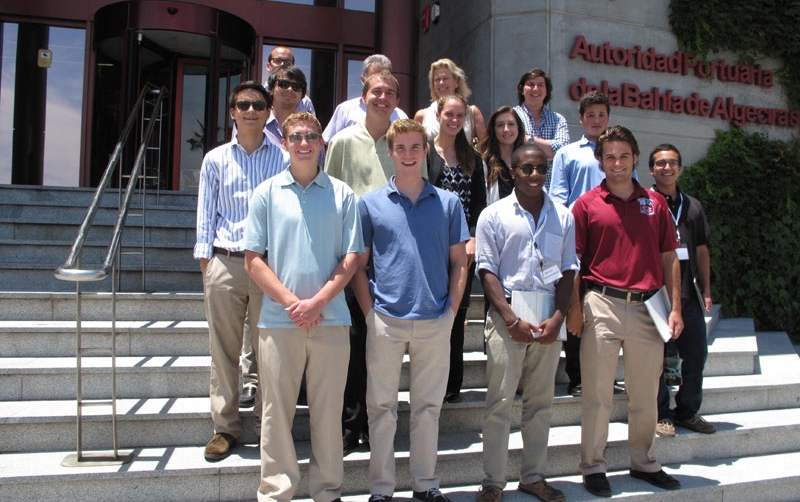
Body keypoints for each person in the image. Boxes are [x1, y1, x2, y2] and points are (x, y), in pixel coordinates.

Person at [243, 112, 364, 502]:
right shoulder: (265, 193)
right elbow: (253, 260)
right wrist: (295, 303)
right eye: (296, 136)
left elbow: (351, 258)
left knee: (328, 414)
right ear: (284, 143)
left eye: (312, 135)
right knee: (276, 414)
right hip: (279, 321)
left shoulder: (343, 194)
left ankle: (327, 491)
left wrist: (318, 302)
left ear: (321, 142)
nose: (304, 142)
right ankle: (276, 491)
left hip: (331, 321)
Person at [352, 119, 469, 502]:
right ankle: (382, 490)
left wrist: (451, 311)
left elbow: (460, 262)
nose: (407, 154)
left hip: (435, 320)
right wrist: (370, 313)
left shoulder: (449, 203)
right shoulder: (369, 204)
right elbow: (360, 264)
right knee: (381, 408)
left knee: (427, 409)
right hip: (386, 319)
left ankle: (426, 485)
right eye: (399, 148)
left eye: (414, 147)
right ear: (390, 152)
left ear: (425, 151)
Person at [567, 125, 683, 497]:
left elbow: (670, 257)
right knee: (597, 393)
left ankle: (644, 462)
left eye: (624, 156)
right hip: (601, 302)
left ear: (635, 159)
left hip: (649, 306)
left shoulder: (656, 203)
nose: (617, 163)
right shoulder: (586, 205)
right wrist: (574, 309)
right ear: (600, 162)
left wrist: (676, 307)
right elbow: (574, 261)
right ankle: (593, 465)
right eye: (610, 157)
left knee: (646, 394)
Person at [475, 144, 577, 502]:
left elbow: (567, 271)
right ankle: (493, 483)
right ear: (513, 172)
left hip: (548, 319)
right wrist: (509, 317)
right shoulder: (493, 215)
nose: (535, 176)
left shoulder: (563, 216)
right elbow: (486, 270)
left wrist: (559, 318)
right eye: (527, 169)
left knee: (541, 403)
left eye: (541, 169)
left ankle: (533, 477)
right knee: (499, 404)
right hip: (508, 320)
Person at [194, 81, 288, 462]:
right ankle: (225, 428)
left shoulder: (282, 159)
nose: (251, 111)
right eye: (243, 104)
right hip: (226, 262)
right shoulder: (215, 159)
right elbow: (206, 216)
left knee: (270, 351)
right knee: (224, 351)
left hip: (268, 267)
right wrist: (208, 264)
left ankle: (269, 428)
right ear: (232, 111)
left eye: (258, 105)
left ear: (268, 112)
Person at [325, 70, 413, 456]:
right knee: (355, 344)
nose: (382, 97)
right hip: (352, 258)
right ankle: (350, 424)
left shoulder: (404, 144)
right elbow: (329, 196)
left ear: (396, 99)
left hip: (392, 260)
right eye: (376, 91)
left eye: (390, 92)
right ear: (363, 97)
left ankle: (380, 425)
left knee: (384, 347)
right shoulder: (343, 141)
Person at [549, 90, 614, 398]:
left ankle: (606, 376)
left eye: (601, 115)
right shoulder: (568, 153)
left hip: (611, 241)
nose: (596, 120)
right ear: (581, 119)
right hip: (577, 238)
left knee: (608, 309)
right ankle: (577, 377)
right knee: (577, 304)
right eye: (591, 115)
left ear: (608, 118)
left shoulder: (619, 152)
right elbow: (559, 197)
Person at [649, 144, 716, 438]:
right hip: (655, 294)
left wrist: (707, 289)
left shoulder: (693, 206)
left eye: (672, 163)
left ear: (680, 168)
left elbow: (701, 250)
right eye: (661, 163)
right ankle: (661, 413)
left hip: (688, 293)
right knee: (656, 359)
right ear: (651, 169)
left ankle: (688, 411)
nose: (667, 168)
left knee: (696, 354)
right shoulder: (646, 203)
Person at [426, 94, 486, 404]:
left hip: (463, 244)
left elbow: (478, 203)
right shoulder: (425, 152)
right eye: (449, 113)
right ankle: (429, 380)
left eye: (459, 115)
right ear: (438, 114)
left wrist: (474, 237)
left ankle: (452, 384)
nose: (454, 119)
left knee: (457, 311)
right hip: (431, 241)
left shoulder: (471, 156)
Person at [322, 54, 407, 143]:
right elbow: (330, 144)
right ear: (363, 80)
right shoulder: (345, 110)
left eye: (385, 76)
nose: (380, 80)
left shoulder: (401, 116)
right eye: (374, 76)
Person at [512, 68, 569, 190]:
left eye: (540, 85)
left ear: (547, 91)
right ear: (522, 90)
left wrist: (528, 140)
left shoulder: (558, 119)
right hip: (519, 189)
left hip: (551, 190)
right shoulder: (511, 116)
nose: (535, 89)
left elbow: (562, 149)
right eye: (531, 84)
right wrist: (548, 151)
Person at [414, 58, 486, 143]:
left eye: (445, 78)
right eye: (437, 80)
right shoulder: (422, 116)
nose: (441, 83)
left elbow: (485, 148)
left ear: (456, 82)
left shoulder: (472, 113)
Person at [478, 106, 525, 204]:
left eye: (511, 124)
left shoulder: (527, 161)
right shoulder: (483, 164)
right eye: (500, 125)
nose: (506, 129)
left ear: (518, 128)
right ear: (493, 130)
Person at [265, 45, 315, 114]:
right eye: (277, 61)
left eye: (287, 62)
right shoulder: (257, 95)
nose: (282, 64)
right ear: (268, 66)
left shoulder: (305, 102)